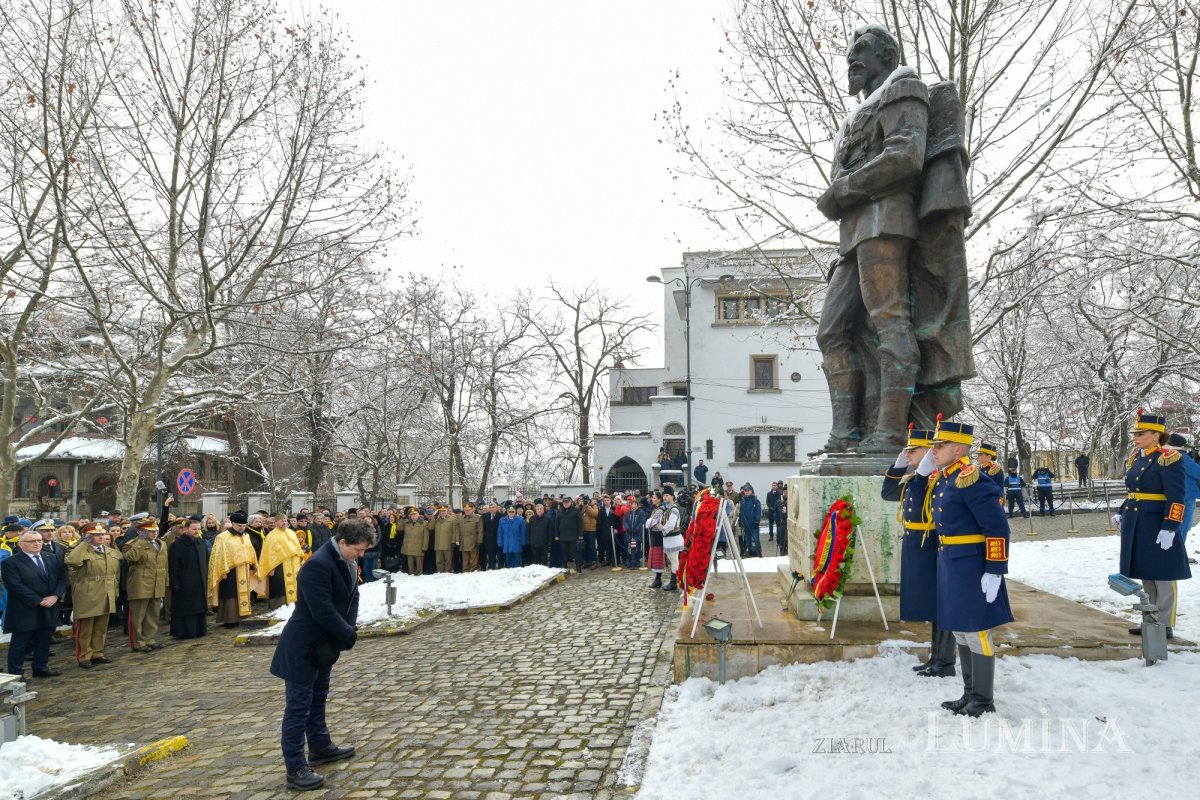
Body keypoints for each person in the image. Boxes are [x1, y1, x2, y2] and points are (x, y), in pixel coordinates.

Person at [815, 23, 973, 451]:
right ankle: (846, 432)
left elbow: (905, 155)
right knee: (831, 330)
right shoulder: (859, 112)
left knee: (890, 321)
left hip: (887, 222)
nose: (852, 58)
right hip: (855, 234)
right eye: (849, 51)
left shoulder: (903, 86)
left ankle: (888, 433)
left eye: (862, 49)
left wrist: (844, 190)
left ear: (887, 55)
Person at [270, 520, 369, 791]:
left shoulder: (347, 560)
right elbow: (321, 609)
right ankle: (295, 768)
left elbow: (353, 596)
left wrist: (347, 629)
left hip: (324, 646)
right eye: (358, 549)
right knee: (298, 708)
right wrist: (347, 634)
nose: (361, 555)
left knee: (318, 698)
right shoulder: (317, 565)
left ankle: (320, 746)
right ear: (343, 542)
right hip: (302, 646)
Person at [928, 420, 1012, 717]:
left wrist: (994, 568)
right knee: (961, 630)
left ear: (959, 448)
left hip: (972, 564)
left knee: (977, 631)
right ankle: (969, 693)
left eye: (940, 446)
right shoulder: (947, 478)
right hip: (951, 560)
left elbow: (997, 527)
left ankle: (983, 699)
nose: (934, 451)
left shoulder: (973, 479)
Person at [881, 426, 952, 677]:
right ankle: (936, 658)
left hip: (930, 543)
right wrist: (898, 467)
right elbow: (888, 493)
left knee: (940, 604)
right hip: (916, 544)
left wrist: (922, 475)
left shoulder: (938, 479)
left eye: (913, 451)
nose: (908, 454)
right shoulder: (916, 479)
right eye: (906, 451)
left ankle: (944, 662)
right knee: (930, 605)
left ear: (929, 452)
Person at [1117, 412, 1190, 638]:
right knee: (1147, 574)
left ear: (1156, 435)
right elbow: (1134, 492)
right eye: (1136, 433)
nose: (1136, 437)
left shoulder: (1168, 459)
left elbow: (1177, 497)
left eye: (1141, 433)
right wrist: (1122, 512)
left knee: (1164, 576)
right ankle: (1150, 620)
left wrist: (1170, 526)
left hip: (1158, 524)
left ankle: (1164, 623)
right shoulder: (1137, 458)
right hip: (1139, 523)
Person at [2, 529, 68, 679]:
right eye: (31, 541)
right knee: (20, 643)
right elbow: (15, 585)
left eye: (38, 540)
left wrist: (55, 596)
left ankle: (40, 667)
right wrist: (38, 601)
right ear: (20, 544)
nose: (36, 543)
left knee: (44, 638)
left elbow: (63, 578)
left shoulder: (51, 558)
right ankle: (16, 674)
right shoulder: (11, 562)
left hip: (50, 605)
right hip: (24, 608)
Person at [64, 522, 124, 668]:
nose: (101, 537)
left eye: (102, 534)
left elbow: (116, 574)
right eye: (96, 535)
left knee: (101, 627)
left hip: (106, 592)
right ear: (87, 536)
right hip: (87, 593)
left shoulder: (110, 551)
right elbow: (72, 561)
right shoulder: (80, 550)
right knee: (85, 628)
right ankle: (84, 656)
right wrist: (84, 544)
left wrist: (114, 592)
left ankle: (97, 653)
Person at [207, 512, 265, 627]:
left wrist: (253, 566)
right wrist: (221, 571)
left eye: (244, 526)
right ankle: (229, 618)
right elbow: (218, 556)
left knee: (242, 594)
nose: (242, 528)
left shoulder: (246, 536)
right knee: (230, 595)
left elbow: (250, 552)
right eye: (239, 526)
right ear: (233, 524)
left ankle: (242, 616)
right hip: (229, 571)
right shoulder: (222, 537)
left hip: (244, 569)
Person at [121, 514, 169, 652]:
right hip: (140, 584)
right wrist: (141, 542)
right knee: (138, 615)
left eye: (155, 531)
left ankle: (150, 639)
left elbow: (164, 565)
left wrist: (166, 581)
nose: (154, 533)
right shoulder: (131, 545)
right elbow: (131, 558)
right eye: (150, 531)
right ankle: (138, 643)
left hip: (157, 583)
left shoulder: (161, 544)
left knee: (153, 614)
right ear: (140, 531)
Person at [168, 517, 209, 639]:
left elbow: (205, 562)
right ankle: (186, 632)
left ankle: (199, 630)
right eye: (194, 529)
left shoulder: (201, 542)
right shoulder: (177, 545)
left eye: (198, 529)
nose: (197, 531)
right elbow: (173, 566)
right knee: (187, 609)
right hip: (184, 583)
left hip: (200, 581)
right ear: (185, 529)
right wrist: (175, 583)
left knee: (200, 607)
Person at [260, 518, 305, 610]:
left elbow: (297, 547)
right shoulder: (271, 535)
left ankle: (294, 607)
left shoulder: (291, 533)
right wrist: (270, 568)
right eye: (281, 521)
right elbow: (267, 552)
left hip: (293, 564)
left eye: (285, 521)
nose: (284, 523)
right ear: (276, 522)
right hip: (279, 565)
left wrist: (301, 558)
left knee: (295, 584)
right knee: (280, 586)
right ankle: (279, 608)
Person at [1167, 433, 1200, 543]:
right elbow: (1197, 472)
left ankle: (1175, 554)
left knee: (1175, 526)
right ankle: (1179, 555)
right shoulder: (1182, 457)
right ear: (1180, 446)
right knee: (1183, 527)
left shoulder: (1167, 455)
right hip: (1186, 495)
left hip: (1175, 495)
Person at [660, 489, 684, 592]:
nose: (665, 497)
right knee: (673, 560)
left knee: (674, 560)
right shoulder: (667, 508)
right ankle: (675, 581)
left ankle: (674, 582)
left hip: (673, 538)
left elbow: (671, 524)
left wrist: (662, 529)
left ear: (672, 497)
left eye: (667, 495)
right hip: (669, 538)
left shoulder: (674, 509)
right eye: (664, 495)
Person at [554, 496, 583, 573]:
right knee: (564, 552)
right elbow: (556, 524)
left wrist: (580, 534)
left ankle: (578, 567)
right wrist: (556, 535)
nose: (566, 504)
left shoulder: (576, 511)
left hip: (574, 535)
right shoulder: (559, 511)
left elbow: (580, 523)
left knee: (576, 552)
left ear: (571, 502)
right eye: (564, 502)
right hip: (563, 536)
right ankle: (564, 565)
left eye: (567, 502)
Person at [401, 507, 429, 576]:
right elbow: (399, 528)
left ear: (418, 514)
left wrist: (424, 547)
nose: (413, 516)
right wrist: (402, 518)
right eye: (412, 514)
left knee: (419, 566)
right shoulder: (406, 523)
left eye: (415, 514)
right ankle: (411, 575)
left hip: (418, 547)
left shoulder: (424, 523)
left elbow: (426, 537)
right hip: (408, 547)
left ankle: (419, 576)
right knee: (410, 565)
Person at [458, 502, 484, 571]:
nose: (467, 511)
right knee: (465, 561)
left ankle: (473, 573)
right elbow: (459, 531)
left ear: (473, 509)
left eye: (469, 510)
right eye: (466, 510)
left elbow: (480, 531)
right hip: (464, 542)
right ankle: (465, 573)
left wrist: (479, 541)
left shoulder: (478, 518)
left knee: (473, 562)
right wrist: (458, 541)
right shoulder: (461, 519)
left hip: (474, 542)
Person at [432, 506, 458, 574]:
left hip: (448, 543)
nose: (442, 513)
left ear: (447, 511)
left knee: (448, 560)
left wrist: (453, 541)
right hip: (438, 544)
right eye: (441, 511)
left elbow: (455, 531)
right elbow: (430, 527)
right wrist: (433, 518)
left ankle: (447, 572)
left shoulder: (452, 519)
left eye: (444, 511)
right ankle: (440, 572)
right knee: (439, 560)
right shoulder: (436, 520)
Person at [739, 484, 763, 557]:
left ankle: (759, 553)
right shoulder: (742, 501)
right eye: (745, 491)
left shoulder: (755, 500)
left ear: (751, 491)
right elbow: (741, 512)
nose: (746, 492)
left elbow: (758, 511)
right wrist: (741, 521)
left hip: (753, 524)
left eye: (748, 491)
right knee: (747, 541)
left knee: (756, 540)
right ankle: (750, 553)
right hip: (746, 525)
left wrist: (757, 521)